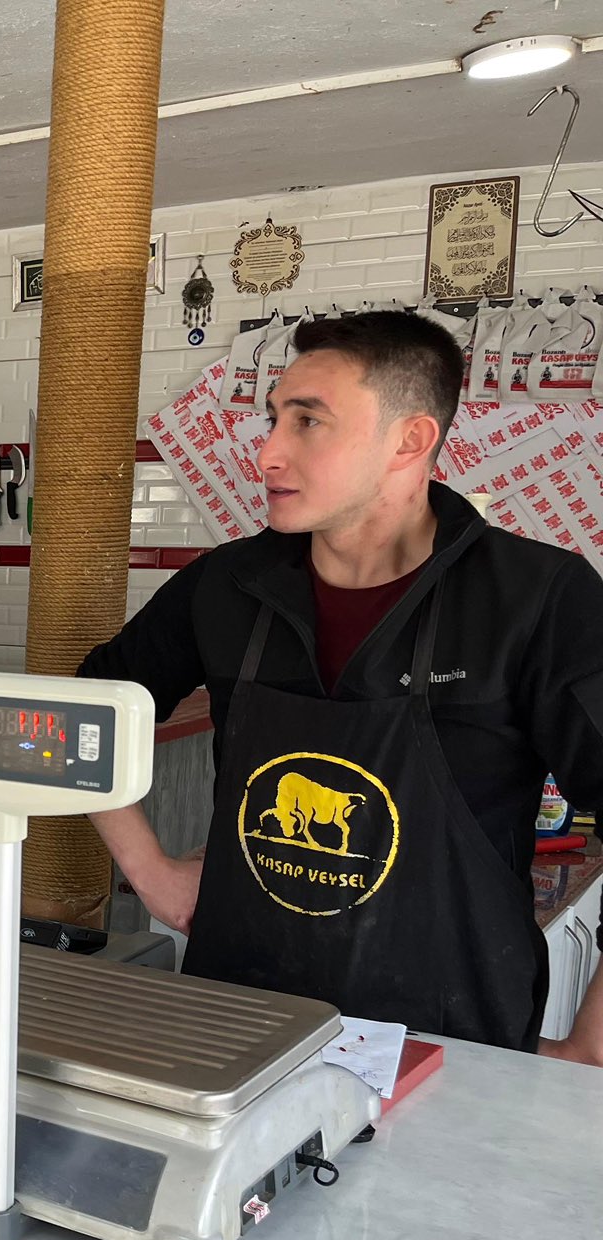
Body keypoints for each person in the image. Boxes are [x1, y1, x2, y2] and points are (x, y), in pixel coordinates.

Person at [79, 311, 603, 1062]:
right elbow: (91, 707)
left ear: (410, 440)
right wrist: (149, 871)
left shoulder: (535, 599)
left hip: (446, 1043)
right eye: (273, 419)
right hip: (238, 1026)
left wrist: (589, 1051)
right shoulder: (228, 586)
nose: (267, 453)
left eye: (308, 421)